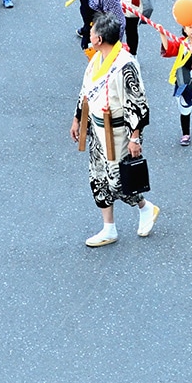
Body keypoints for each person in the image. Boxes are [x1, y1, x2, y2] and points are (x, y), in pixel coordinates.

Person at [72, 12, 159, 247]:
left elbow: (138, 103)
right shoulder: (97, 58)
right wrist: (78, 118)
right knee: (98, 177)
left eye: (91, 32)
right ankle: (108, 228)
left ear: (99, 38)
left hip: (119, 130)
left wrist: (135, 138)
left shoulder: (125, 64)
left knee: (118, 180)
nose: (88, 34)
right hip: (97, 128)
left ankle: (145, 207)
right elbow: (85, 90)